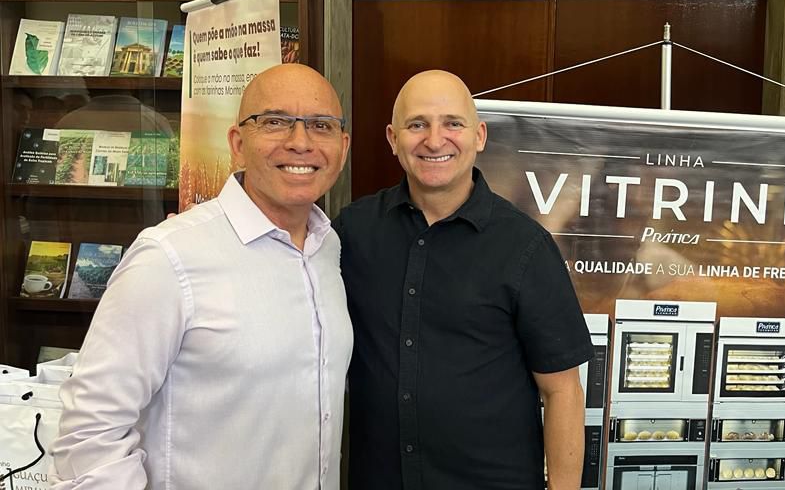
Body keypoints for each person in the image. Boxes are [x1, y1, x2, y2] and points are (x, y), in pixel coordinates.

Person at [51, 64, 353, 489]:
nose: (300, 142)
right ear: (237, 143)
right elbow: (89, 433)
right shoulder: (169, 258)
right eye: (275, 122)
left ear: (342, 147)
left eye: (320, 126)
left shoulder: (329, 248)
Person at [335, 70, 593, 490]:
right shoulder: (353, 232)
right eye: (417, 124)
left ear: (479, 136)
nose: (435, 140)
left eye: (453, 123)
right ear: (392, 138)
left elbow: (563, 391)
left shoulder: (525, 246)